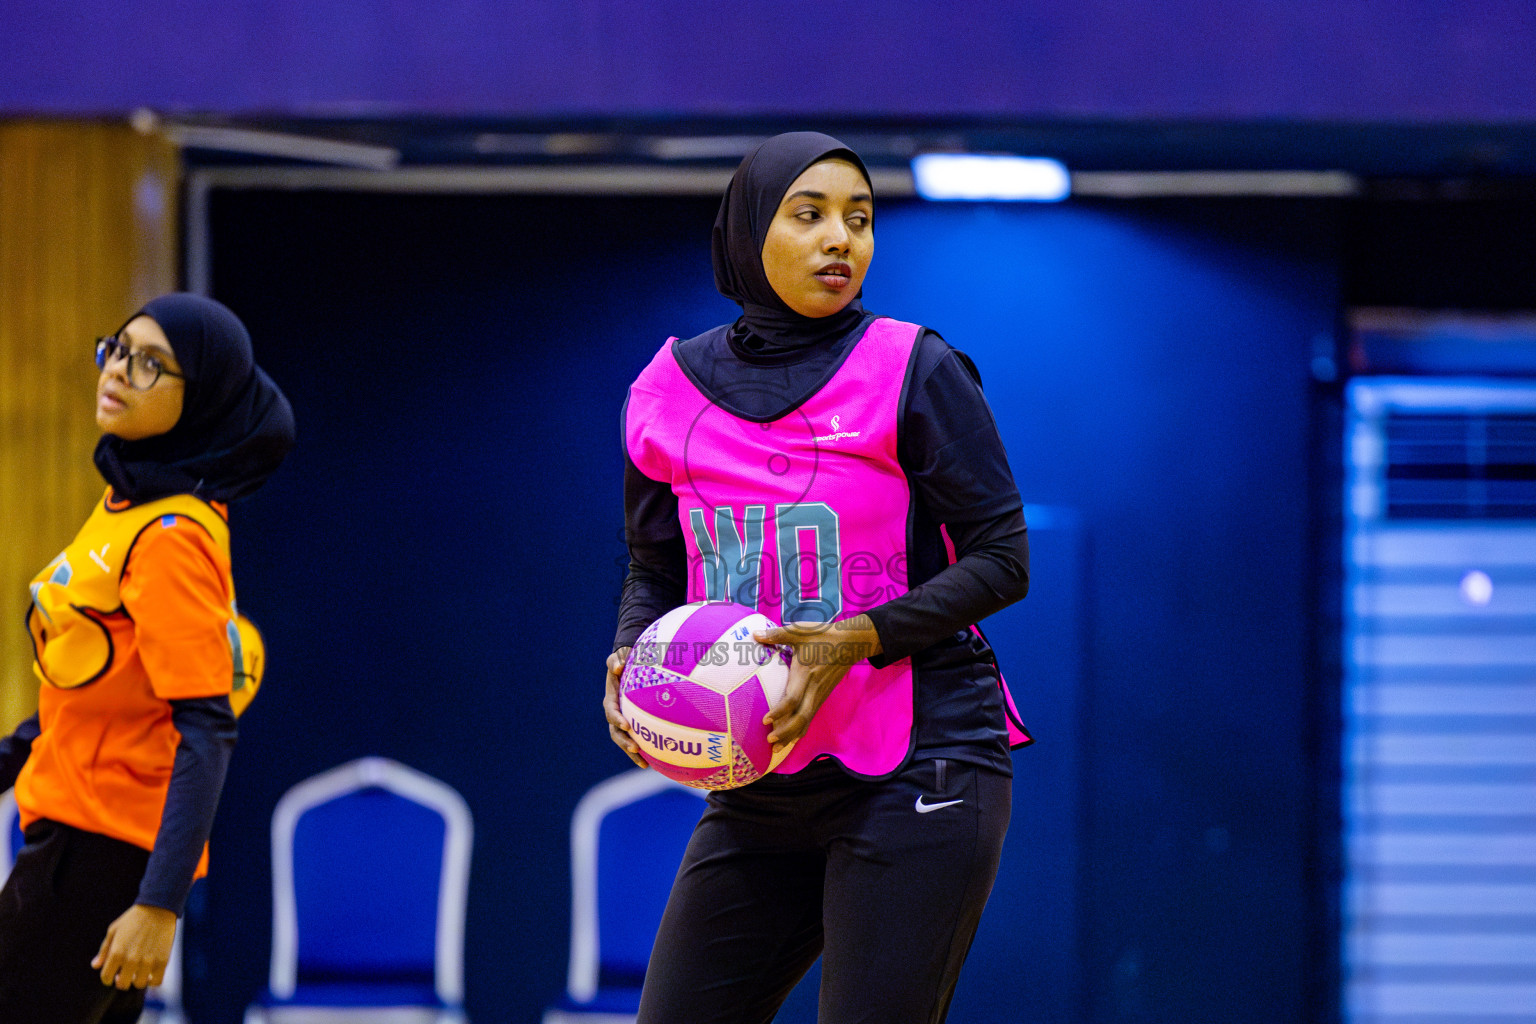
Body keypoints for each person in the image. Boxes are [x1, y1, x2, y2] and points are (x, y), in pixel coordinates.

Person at [605, 132, 1032, 1024]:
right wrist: (627, 651)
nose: (842, 239)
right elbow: (655, 563)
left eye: (860, 219)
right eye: (810, 216)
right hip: (758, 779)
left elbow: (1003, 559)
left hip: (920, 761)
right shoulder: (665, 390)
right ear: (749, 231)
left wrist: (859, 638)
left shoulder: (916, 366)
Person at [0, 294, 294, 1023]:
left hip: (101, 856)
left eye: (152, 364)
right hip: (66, 834)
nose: (120, 372)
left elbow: (206, 727)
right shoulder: (127, 500)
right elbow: (103, 689)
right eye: (119, 349)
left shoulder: (173, 534)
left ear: (200, 399)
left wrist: (158, 905)